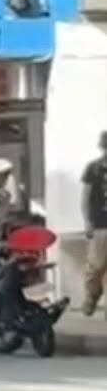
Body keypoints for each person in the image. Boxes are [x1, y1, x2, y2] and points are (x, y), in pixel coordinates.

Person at [81, 130, 107, 317]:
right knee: (96, 266)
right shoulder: (94, 168)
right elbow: (86, 196)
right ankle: (92, 296)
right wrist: (87, 221)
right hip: (99, 224)